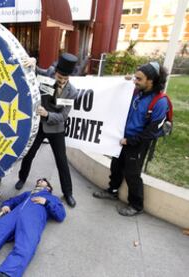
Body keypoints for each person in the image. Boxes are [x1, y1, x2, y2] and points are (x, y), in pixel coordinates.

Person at [93, 61, 169, 216]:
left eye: (139, 79)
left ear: (151, 81)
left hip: (138, 143)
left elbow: (151, 131)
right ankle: (112, 191)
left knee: (132, 174)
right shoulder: (136, 91)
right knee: (116, 165)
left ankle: (136, 205)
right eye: (135, 78)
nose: (135, 81)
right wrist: (123, 81)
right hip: (122, 138)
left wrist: (130, 141)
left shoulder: (160, 102)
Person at [14, 53, 79, 208]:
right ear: (55, 71)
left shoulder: (72, 91)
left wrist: (48, 114)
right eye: (59, 77)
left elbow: (63, 116)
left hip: (56, 128)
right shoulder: (48, 73)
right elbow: (34, 70)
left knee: (62, 161)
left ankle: (68, 193)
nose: (61, 81)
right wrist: (33, 61)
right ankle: (22, 178)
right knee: (29, 154)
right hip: (39, 126)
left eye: (65, 79)